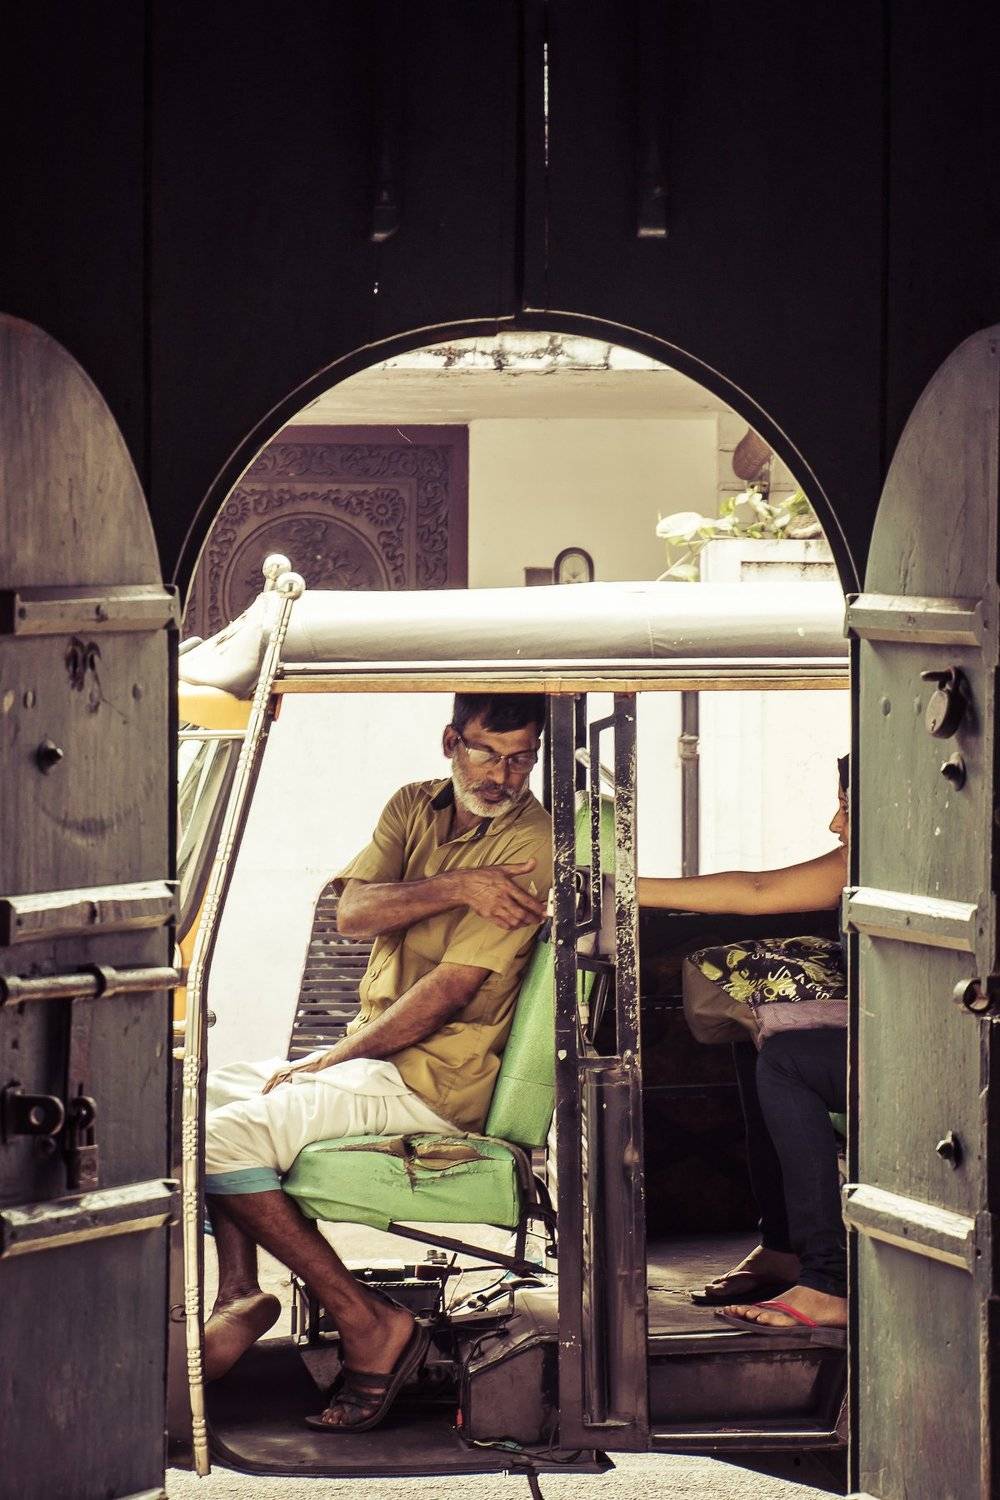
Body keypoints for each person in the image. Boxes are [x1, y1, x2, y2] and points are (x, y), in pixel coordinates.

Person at [202, 692, 552, 1429]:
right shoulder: (412, 806)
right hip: (379, 1056)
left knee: (220, 1140)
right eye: (487, 754)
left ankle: (367, 1321)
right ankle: (241, 1292)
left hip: (433, 1078)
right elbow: (353, 913)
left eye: (521, 759)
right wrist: (459, 886)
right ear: (451, 742)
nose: (502, 776)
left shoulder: (532, 843)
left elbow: (449, 993)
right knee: (203, 1097)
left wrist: (329, 1059)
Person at [638, 758, 849, 1336]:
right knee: (758, 1041)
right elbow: (753, 891)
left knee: (786, 1063)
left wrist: (618, 886)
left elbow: (757, 891)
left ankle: (829, 1281)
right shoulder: (865, 858)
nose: (835, 824)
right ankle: (783, 1247)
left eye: (847, 809)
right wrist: (618, 887)